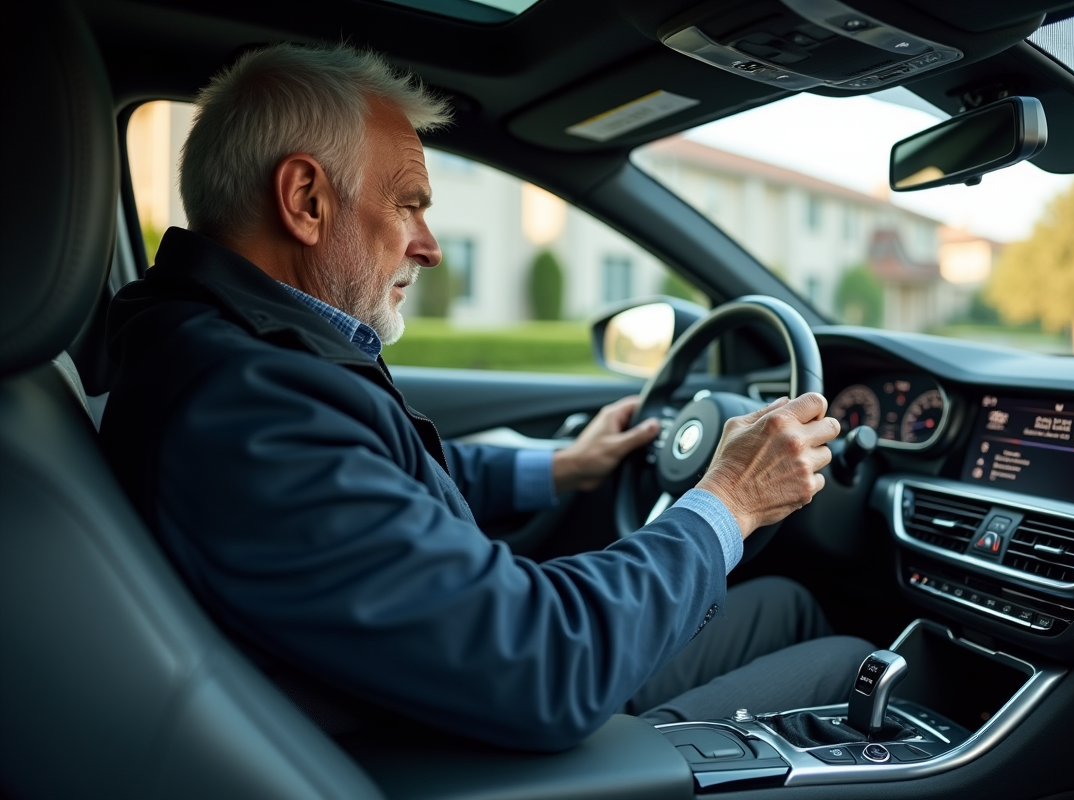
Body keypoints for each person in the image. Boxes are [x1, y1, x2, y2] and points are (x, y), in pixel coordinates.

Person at [100, 42, 873, 752]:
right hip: (475, 752)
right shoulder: (251, 405)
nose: (429, 245)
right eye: (408, 202)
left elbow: (383, 480)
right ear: (305, 199)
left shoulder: (221, 353)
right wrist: (730, 499)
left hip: (435, 696)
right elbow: (546, 664)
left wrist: (563, 467)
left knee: (786, 604)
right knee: (851, 664)